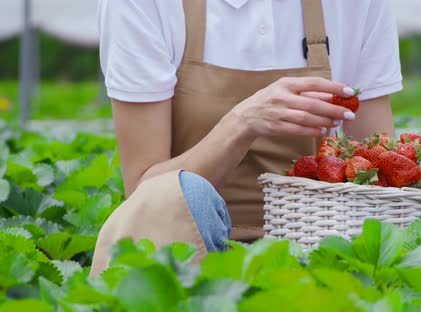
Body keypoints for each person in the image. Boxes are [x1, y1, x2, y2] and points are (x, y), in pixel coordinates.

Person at [90, 0, 403, 275]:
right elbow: (147, 196)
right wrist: (243, 123)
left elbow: (377, 166)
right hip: (185, 255)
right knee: (188, 194)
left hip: (314, 244)